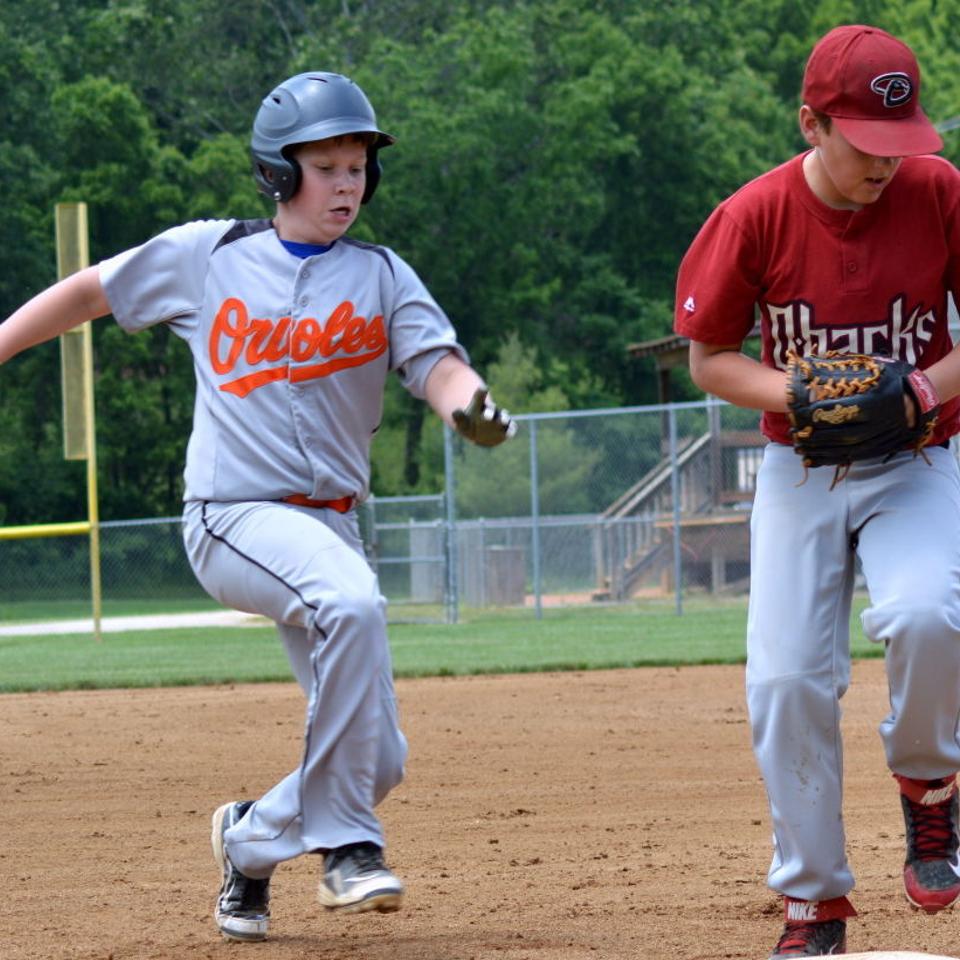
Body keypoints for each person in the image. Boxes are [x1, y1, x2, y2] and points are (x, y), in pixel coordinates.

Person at [0, 71, 515, 941]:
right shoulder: (211, 256)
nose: (348, 183)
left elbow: (436, 363)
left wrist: (467, 403)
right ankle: (350, 847)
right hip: (231, 515)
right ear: (279, 174)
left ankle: (248, 842)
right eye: (327, 166)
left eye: (358, 166)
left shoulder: (382, 276)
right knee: (348, 604)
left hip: (329, 525)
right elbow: (93, 290)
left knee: (377, 756)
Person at [674, 24, 960, 959]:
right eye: (868, 145)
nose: (889, 163)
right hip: (800, 468)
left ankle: (929, 789)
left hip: (918, 456)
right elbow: (709, 358)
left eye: (901, 141)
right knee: (788, 680)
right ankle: (815, 901)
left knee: (927, 614)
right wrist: (796, 394)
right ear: (811, 123)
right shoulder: (753, 216)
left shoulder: (940, 193)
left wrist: (921, 388)